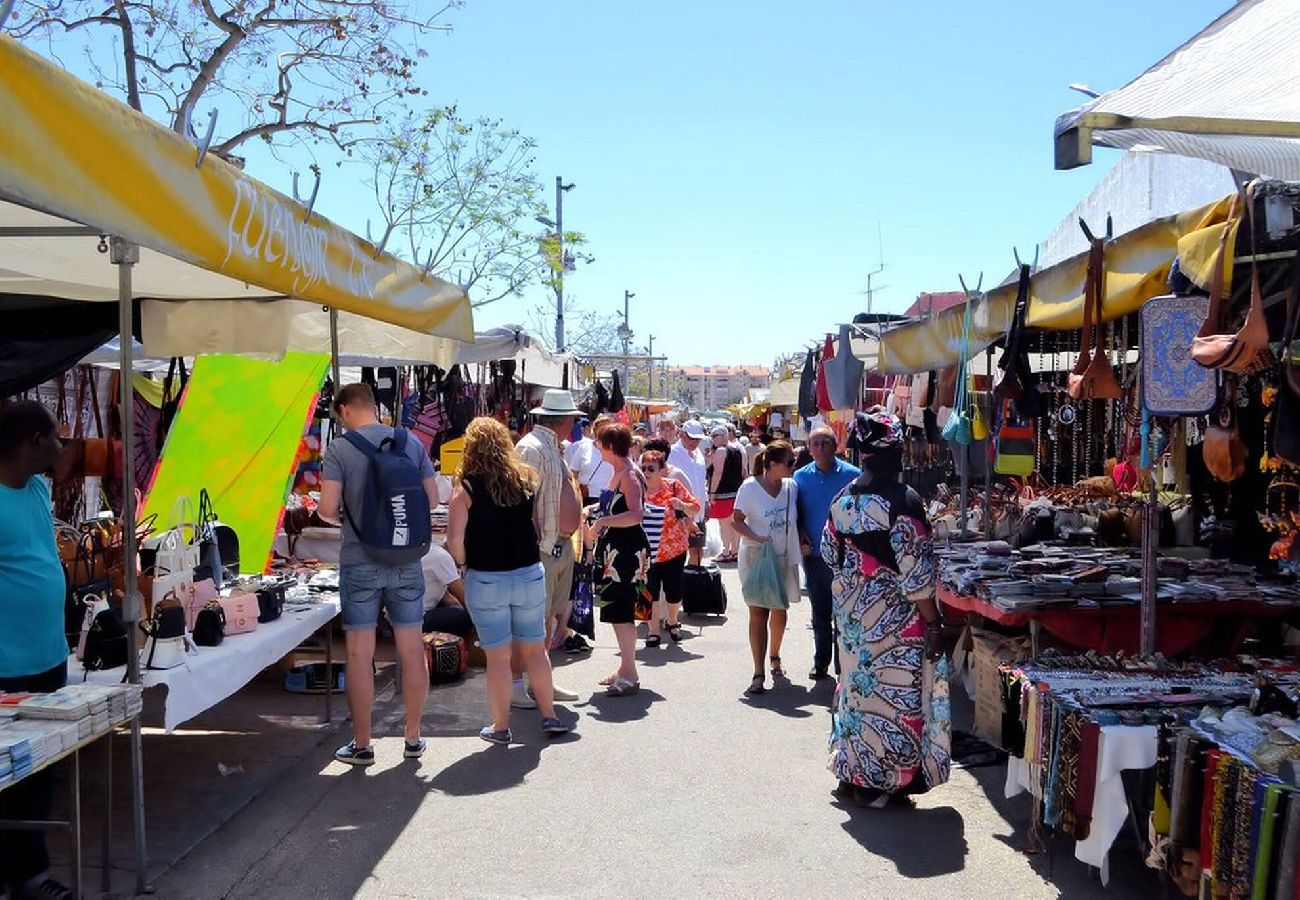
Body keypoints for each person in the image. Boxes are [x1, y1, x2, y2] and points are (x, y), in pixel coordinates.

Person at [822, 408, 950, 808]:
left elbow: (830, 555)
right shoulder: (904, 501)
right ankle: (886, 783)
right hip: (897, 624)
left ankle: (854, 773)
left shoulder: (842, 501)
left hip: (853, 621)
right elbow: (916, 573)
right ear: (895, 454)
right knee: (896, 702)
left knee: (858, 697)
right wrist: (934, 622)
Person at [320, 383, 434, 765]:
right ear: (373, 406)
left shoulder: (340, 449)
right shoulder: (410, 443)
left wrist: (346, 514)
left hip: (359, 559)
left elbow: (326, 508)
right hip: (405, 560)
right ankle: (413, 737)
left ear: (346, 410)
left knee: (358, 653)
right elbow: (432, 500)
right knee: (412, 651)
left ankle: (363, 743)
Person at [447, 417, 570, 743]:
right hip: (529, 573)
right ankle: (550, 716)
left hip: (487, 578)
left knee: (498, 657)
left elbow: (455, 540)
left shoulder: (467, 488)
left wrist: (462, 564)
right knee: (535, 651)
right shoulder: (526, 479)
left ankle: (501, 727)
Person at [0, 401, 76, 900]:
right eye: (52, 436)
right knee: (5, 781)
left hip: (49, 657)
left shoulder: (38, 488)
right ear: (30, 442)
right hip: (7, 667)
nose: (60, 446)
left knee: (42, 775)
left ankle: (32, 875)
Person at [731, 440, 802, 695]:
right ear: (772, 465)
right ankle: (758, 671)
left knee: (779, 608)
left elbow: (798, 518)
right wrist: (756, 536)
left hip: (782, 556)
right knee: (758, 611)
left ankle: (775, 655)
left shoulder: (792, 487)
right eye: (789, 462)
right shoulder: (749, 488)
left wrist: (803, 541)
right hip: (755, 556)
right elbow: (736, 520)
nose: (793, 467)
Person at [586, 424, 651, 696]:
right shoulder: (621, 471)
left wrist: (601, 521)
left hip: (626, 551)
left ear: (610, 446)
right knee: (617, 611)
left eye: (599, 443)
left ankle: (630, 672)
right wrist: (594, 511)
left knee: (623, 611)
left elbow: (637, 514)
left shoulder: (628, 474)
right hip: (617, 549)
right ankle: (625, 667)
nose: (596, 447)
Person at [794, 425, 860, 681]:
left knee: (845, 613)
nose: (820, 448)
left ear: (836, 446)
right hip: (815, 557)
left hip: (847, 558)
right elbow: (795, 514)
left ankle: (844, 665)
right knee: (820, 613)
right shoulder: (799, 478)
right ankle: (821, 662)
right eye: (815, 443)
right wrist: (801, 533)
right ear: (809, 449)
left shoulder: (853, 476)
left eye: (826, 443)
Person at [640, 448, 701, 647]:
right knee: (649, 591)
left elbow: (696, 507)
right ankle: (653, 630)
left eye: (651, 468)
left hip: (674, 549)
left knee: (674, 591)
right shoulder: (637, 489)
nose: (646, 472)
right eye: (643, 468)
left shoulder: (673, 487)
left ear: (662, 470)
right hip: (646, 551)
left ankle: (673, 621)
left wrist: (682, 505)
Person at [669, 420, 709, 565]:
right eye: (692, 438)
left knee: (698, 551)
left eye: (697, 439)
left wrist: (706, 502)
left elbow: (702, 480)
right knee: (678, 551)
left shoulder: (699, 454)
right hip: (680, 509)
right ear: (682, 435)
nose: (695, 442)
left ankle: (692, 582)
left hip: (698, 509)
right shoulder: (672, 453)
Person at [707, 424, 744, 562]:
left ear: (723, 436)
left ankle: (726, 551)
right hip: (736, 491)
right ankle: (735, 551)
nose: (713, 439)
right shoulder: (738, 450)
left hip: (723, 493)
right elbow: (743, 472)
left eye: (715, 436)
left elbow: (717, 473)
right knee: (734, 523)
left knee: (725, 524)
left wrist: (711, 492)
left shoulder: (721, 451)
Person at [419, 543, 473, 637]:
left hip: (400, 616)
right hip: (418, 620)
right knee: (467, 617)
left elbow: (446, 597)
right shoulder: (442, 557)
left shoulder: (433, 551)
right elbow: (463, 596)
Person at [574, 414, 614, 504]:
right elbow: (573, 474)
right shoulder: (584, 447)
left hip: (609, 497)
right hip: (586, 497)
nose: (604, 431)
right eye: (601, 428)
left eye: (608, 428)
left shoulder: (617, 450)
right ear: (595, 430)